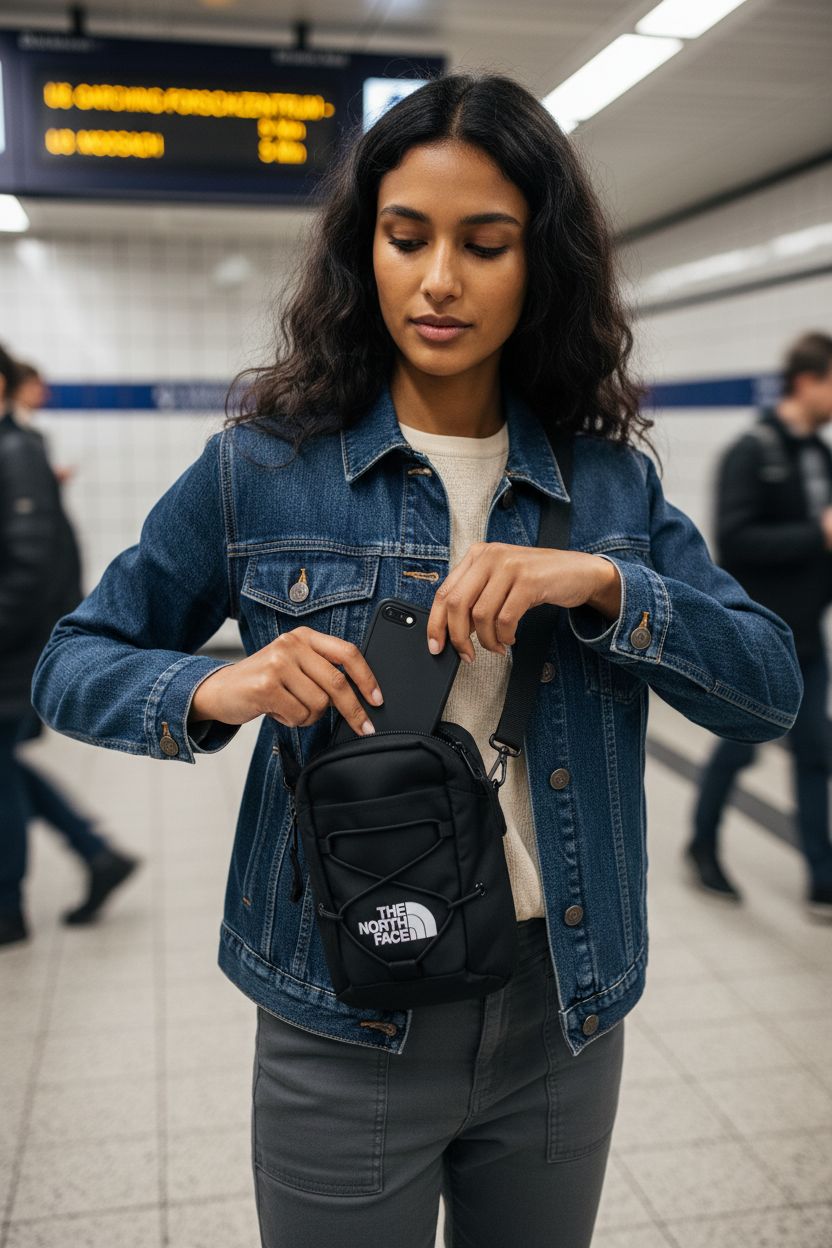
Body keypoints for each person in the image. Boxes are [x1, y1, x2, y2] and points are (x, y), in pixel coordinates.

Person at [31, 73, 802, 1248]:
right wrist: (213, 685)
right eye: (406, 238)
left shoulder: (608, 483)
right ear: (365, 250)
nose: (438, 280)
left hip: (562, 1007)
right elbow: (72, 662)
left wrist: (603, 584)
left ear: (538, 263)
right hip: (342, 1011)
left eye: (483, 244)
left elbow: (767, 684)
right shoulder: (261, 470)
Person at [686, 332, 832, 916]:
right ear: (807, 382)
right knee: (737, 750)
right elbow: (736, 541)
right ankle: (702, 844)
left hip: (810, 638)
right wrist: (816, 534)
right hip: (761, 638)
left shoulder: (819, 455)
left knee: (814, 751)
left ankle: (822, 874)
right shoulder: (751, 451)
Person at [0, 344, 139, 947]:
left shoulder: (14, 450)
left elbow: (29, 566)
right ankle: (96, 852)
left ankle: (7, 905)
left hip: (12, 648)